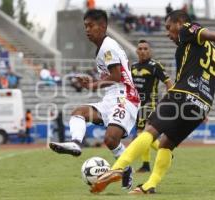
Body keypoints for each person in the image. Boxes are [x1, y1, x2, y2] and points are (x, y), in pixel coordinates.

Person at [91, 10, 215, 194]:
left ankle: (117, 168)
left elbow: (204, 31)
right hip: (203, 104)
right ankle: (149, 186)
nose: (167, 33)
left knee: (149, 130)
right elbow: (214, 76)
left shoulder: (186, 29)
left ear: (179, 23)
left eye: (168, 27)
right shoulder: (214, 49)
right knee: (166, 144)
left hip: (182, 94)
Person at [49, 9, 140, 190]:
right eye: (85, 26)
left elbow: (116, 76)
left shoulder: (108, 46)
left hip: (125, 96)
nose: (87, 30)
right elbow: (122, 70)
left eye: (91, 26)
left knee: (110, 139)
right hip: (112, 97)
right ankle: (75, 143)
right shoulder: (104, 47)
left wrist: (93, 84)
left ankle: (126, 168)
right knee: (79, 113)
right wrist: (94, 82)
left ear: (103, 26)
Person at [131, 39, 173, 172]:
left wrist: (171, 99)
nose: (143, 51)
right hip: (137, 104)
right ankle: (146, 164)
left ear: (150, 51)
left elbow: (168, 82)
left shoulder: (155, 66)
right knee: (142, 134)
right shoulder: (133, 66)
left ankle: (167, 152)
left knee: (141, 134)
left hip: (150, 103)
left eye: (145, 49)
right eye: (140, 49)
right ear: (137, 51)